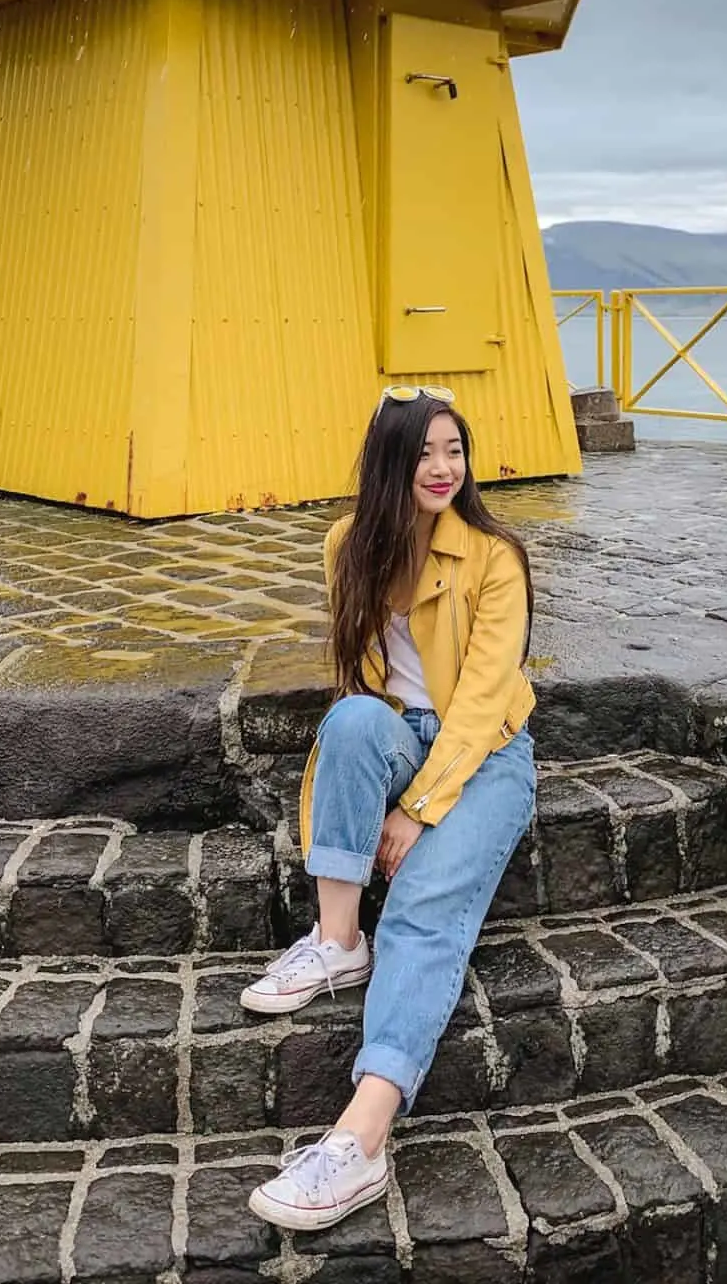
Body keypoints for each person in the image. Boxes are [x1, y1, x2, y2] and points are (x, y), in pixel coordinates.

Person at [242, 385, 538, 1231]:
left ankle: (359, 1140)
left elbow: (482, 704)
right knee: (352, 717)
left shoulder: (493, 555)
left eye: (455, 450)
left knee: (422, 906)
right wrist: (384, 784)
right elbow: (362, 682)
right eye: (423, 455)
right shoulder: (350, 545)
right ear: (388, 465)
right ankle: (337, 941)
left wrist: (414, 810)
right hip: (404, 735)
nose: (444, 469)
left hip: (486, 756)